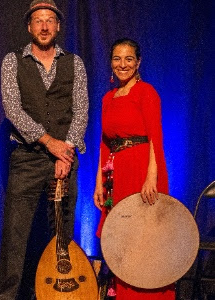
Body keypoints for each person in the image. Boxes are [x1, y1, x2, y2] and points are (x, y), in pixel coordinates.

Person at [0, 1, 89, 299]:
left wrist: (67, 151)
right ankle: (7, 296)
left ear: (58, 26)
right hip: (27, 158)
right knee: (15, 236)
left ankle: (57, 293)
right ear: (29, 27)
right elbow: (13, 109)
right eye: (38, 21)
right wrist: (51, 144)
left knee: (62, 234)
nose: (45, 26)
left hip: (65, 160)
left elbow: (81, 110)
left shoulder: (74, 62)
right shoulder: (13, 61)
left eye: (50, 20)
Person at [93, 38, 175, 299]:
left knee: (143, 236)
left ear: (138, 62)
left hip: (141, 168)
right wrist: (98, 183)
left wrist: (152, 177)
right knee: (121, 236)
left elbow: (155, 138)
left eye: (129, 59)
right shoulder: (108, 98)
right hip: (115, 173)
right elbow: (104, 145)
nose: (122, 64)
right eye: (117, 58)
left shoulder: (146, 92)